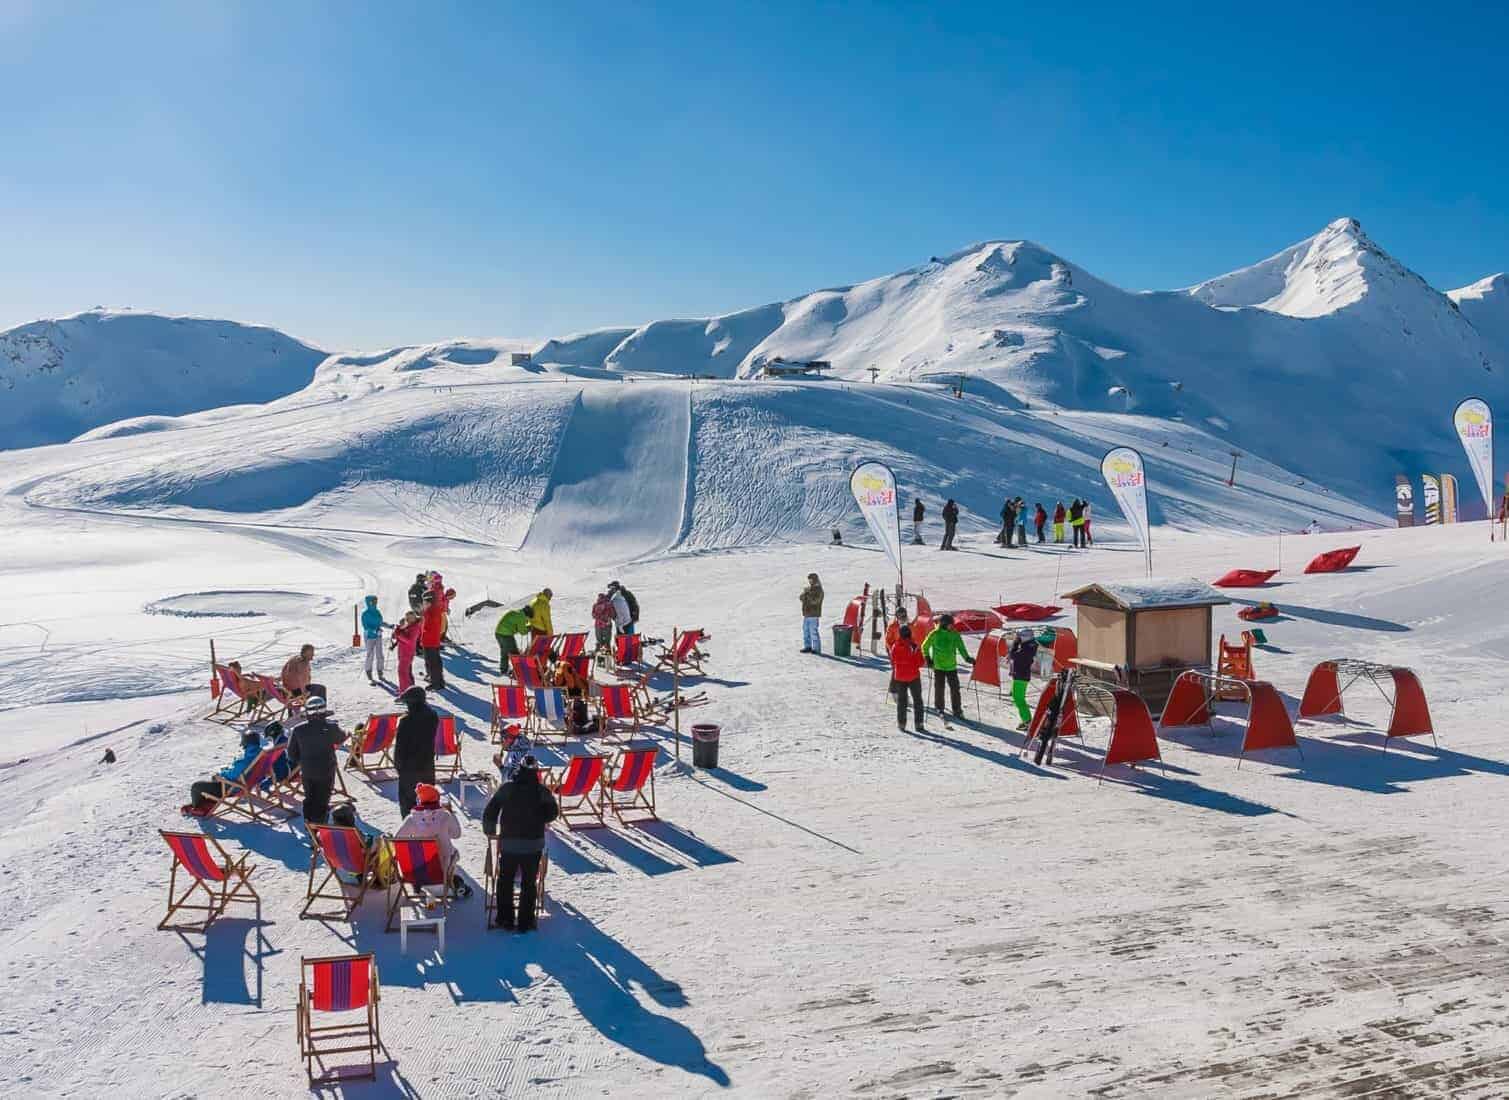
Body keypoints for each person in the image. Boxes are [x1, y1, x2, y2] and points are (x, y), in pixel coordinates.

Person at [482, 755, 560, 931]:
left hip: (510, 843)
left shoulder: (508, 788)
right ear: (536, 772)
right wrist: (540, 818)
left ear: (519, 770)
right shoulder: (542, 791)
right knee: (529, 882)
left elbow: (491, 809)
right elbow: (553, 813)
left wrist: (490, 829)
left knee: (505, 880)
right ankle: (526, 922)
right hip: (533, 844)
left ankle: (505, 919)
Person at [394, 783, 471, 898]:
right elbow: (456, 835)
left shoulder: (411, 819)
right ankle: (455, 882)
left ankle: (419, 883)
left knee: (418, 850)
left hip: (417, 868)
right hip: (441, 868)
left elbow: (397, 839)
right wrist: (450, 815)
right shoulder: (445, 815)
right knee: (454, 853)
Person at [286, 696, 347, 825]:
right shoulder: (331, 727)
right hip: (326, 769)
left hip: (308, 770)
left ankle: (310, 825)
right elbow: (341, 738)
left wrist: (304, 761)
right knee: (323, 799)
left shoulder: (298, 729)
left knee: (310, 798)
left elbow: (291, 754)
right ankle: (320, 827)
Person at [182, 729, 264, 815]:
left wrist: (220, 775)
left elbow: (232, 775)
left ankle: (198, 808)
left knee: (197, 786)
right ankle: (207, 803)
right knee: (212, 785)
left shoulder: (244, 761)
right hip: (248, 783)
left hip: (233, 788)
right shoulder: (261, 755)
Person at [393, 685, 438, 818]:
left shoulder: (406, 721)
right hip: (427, 765)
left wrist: (398, 766)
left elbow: (400, 748)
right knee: (428, 800)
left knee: (408, 803)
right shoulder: (433, 716)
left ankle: (410, 834)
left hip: (409, 768)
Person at [921, 613, 971, 718]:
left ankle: (957, 710)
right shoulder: (934, 634)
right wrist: (928, 658)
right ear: (943, 624)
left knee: (955, 689)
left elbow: (961, 648)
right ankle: (939, 708)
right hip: (938, 667)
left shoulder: (954, 634)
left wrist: (967, 658)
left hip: (951, 666)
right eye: (950, 624)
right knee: (939, 688)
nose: (951, 626)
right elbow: (924, 646)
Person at [889, 624, 926, 732]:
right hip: (913, 676)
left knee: (902, 701)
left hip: (900, 677)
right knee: (917, 700)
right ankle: (919, 724)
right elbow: (920, 662)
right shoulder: (914, 646)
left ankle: (901, 724)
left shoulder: (895, 646)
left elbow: (893, 660)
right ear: (910, 634)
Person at [1034, 669, 1074, 766]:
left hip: (1056, 708)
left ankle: (1043, 752)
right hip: (1055, 708)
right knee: (1048, 728)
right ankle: (1042, 752)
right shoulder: (1059, 685)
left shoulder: (1061, 685)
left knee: (1050, 727)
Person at [1007, 628, 1039, 730]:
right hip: (1021, 674)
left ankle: (1027, 721)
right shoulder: (1029, 645)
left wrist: (1015, 643)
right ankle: (1026, 720)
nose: (1019, 638)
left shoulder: (1028, 647)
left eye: (1020, 637)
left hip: (1021, 675)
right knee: (1018, 698)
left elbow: (1014, 655)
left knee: (1018, 699)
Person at [420, 593, 446, 690]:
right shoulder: (436, 610)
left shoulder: (429, 612)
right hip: (434, 640)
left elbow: (427, 627)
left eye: (425, 602)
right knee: (436, 662)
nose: (423, 604)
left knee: (432, 663)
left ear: (429, 602)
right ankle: (439, 681)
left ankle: (435, 683)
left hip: (429, 641)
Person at [494, 605, 531, 675]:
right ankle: (519, 670)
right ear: (527, 614)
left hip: (498, 633)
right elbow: (522, 631)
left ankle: (504, 669)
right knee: (514, 652)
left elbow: (516, 626)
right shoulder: (521, 617)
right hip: (506, 635)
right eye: (528, 618)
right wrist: (528, 628)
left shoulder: (517, 612)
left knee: (504, 652)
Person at [390, 611, 421, 694]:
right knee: (406, 671)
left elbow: (410, 641)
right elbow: (397, 635)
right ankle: (407, 688)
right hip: (402, 651)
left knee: (402, 671)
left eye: (410, 618)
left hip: (407, 652)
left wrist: (399, 634)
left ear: (414, 618)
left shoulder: (415, 627)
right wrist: (398, 629)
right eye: (407, 618)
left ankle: (404, 692)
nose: (408, 620)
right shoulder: (408, 626)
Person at [360, 595, 386, 683]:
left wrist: (389, 625)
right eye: (373, 601)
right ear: (369, 602)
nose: (375, 603)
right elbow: (365, 626)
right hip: (369, 636)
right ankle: (369, 672)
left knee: (380, 654)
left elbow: (380, 622)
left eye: (376, 601)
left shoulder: (377, 612)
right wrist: (374, 631)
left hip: (378, 635)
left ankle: (380, 671)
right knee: (370, 655)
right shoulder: (365, 613)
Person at [799, 572, 824, 654]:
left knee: (813, 631)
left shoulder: (819, 590)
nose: (810, 581)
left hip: (813, 614)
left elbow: (815, 601)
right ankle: (808, 646)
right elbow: (801, 598)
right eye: (809, 580)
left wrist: (808, 594)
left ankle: (816, 648)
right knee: (806, 631)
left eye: (811, 580)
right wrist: (805, 594)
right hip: (806, 614)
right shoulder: (810, 588)